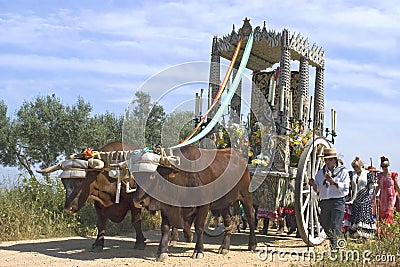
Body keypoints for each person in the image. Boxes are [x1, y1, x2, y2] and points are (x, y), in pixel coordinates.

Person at [308, 148, 350, 249]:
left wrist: (333, 182)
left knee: (336, 225)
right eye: (326, 160)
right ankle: (336, 242)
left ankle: (334, 248)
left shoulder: (343, 172)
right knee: (324, 223)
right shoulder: (320, 173)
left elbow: (345, 187)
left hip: (337, 201)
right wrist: (313, 184)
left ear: (335, 160)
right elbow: (318, 189)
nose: (328, 162)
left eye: (330, 160)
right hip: (325, 202)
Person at [348, 157, 377, 238]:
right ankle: (355, 235)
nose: (355, 168)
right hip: (355, 198)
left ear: (360, 165)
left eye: (356, 166)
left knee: (364, 217)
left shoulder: (368, 174)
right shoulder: (352, 174)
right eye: (353, 167)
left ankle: (365, 235)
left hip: (365, 198)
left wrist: (373, 197)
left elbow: (372, 186)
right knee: (356, 217)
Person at [377, 156, 400, 224]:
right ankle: (382, 231)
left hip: (391, 196)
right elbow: (378, 186)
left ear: (389, 165)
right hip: (382, 197)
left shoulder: (393, 175)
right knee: (382, 213)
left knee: (389, 212)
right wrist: (373, 194)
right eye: (383, 166)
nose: (385, 168)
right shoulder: (380, 175)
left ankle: (388, 231)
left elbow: (396, 186)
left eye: (386, 166)